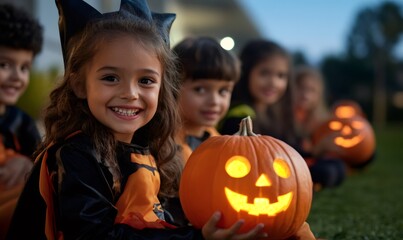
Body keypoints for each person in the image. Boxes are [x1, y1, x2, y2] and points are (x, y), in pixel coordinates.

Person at [7, 0, 266, 239]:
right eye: (110, 78)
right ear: (79, 84)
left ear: (161, 88)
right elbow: (95, 235)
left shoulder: (153, 148)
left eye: (145, 81)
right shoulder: (77, 155)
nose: (130, 94)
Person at [219, 40, 345, 191]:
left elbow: (289, 149)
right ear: (245, 73)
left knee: (335, 167)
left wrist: (314, 152)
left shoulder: (275, 112)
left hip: (281, 169)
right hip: (261, 175)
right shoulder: (240, 115)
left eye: (280, 76)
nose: (273, 82)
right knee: (326, 172)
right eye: (264, 73)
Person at [161, 36, 240, 227]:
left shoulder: (218, 140)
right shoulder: (164, 141)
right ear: (172, 87)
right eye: (200, 89)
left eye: (223, 91)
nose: (214, 101)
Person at [0, 3, 43, 239]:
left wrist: (27, 162)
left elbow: (41, 161)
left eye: (25, 67)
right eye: (4, 65)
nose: (17, 77)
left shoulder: (21, 123)